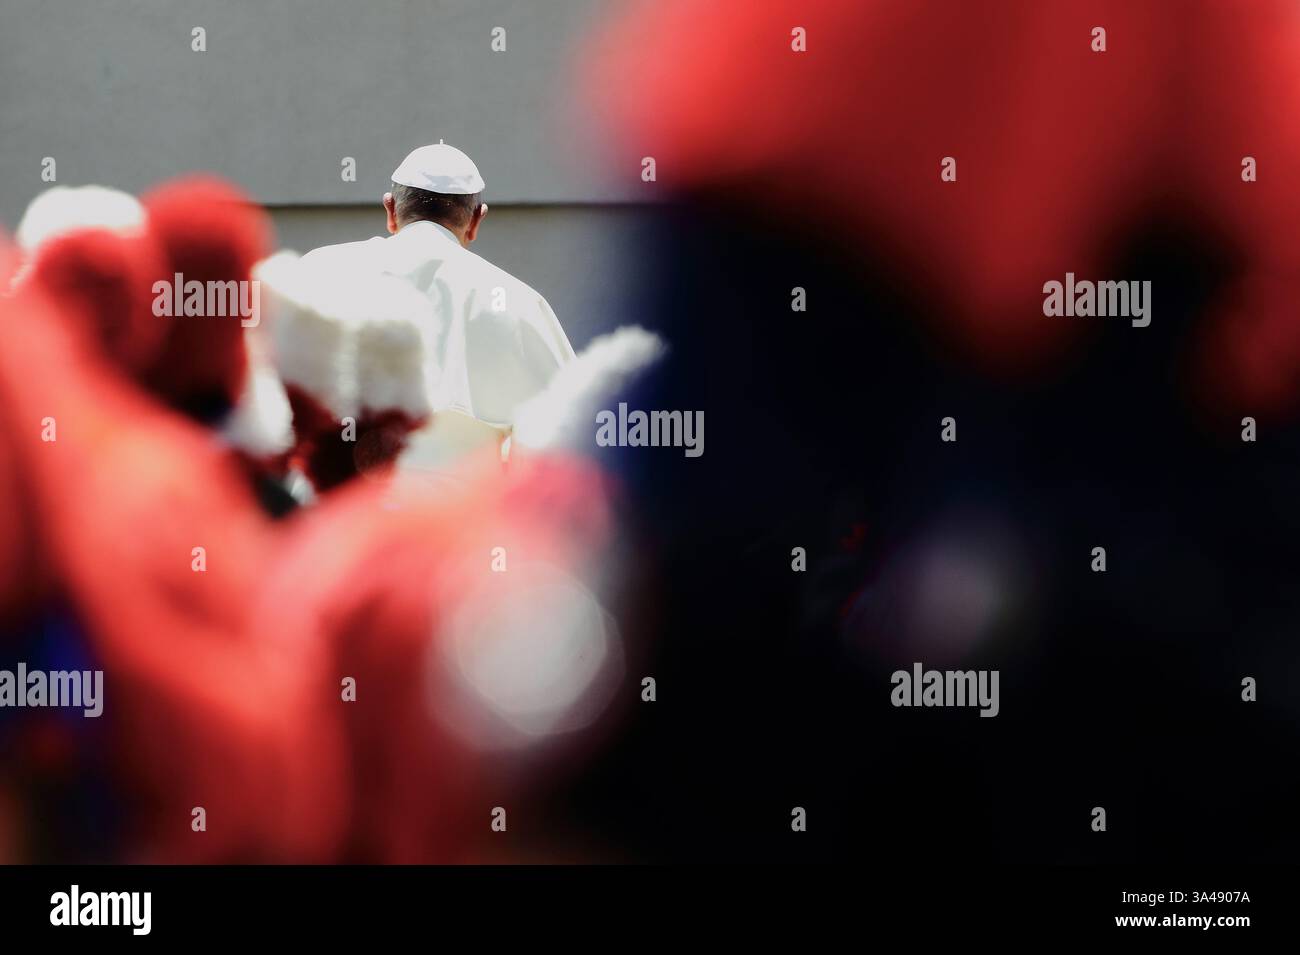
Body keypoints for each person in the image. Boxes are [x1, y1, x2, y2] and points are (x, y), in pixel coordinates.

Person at [297, 141, 576, 471]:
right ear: (476, 220)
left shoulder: (319, 271)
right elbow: (565, 434)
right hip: (456, 515)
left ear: (390, 210)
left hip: (331, 510)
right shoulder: (518, 302)